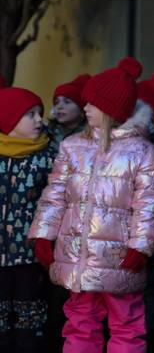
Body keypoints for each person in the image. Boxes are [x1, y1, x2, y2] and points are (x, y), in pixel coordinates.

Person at [28, 57, 154, 353]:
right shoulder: (72, 146)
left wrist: (140, 247)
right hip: (77, 257)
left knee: (126, 325)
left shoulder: (142, 152)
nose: (86, 108)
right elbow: (55, 194)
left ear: (111, 110)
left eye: (92, 103)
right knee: (80, 323)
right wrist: (43, 234)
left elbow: (150, 205)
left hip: (119, 259)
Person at [0, 77, 56, 353]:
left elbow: (57, 200)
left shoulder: (49, 156)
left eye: (39, 113)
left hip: (30, 254)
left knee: (30, 317)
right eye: (30, 114)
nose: (38, 120)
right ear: (9, 120)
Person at [47, 74, 90, 151]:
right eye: (56, 102)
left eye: (67, 102)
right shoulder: (47, 132)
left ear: (81, 109)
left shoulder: (89, 135)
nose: (59, 107)